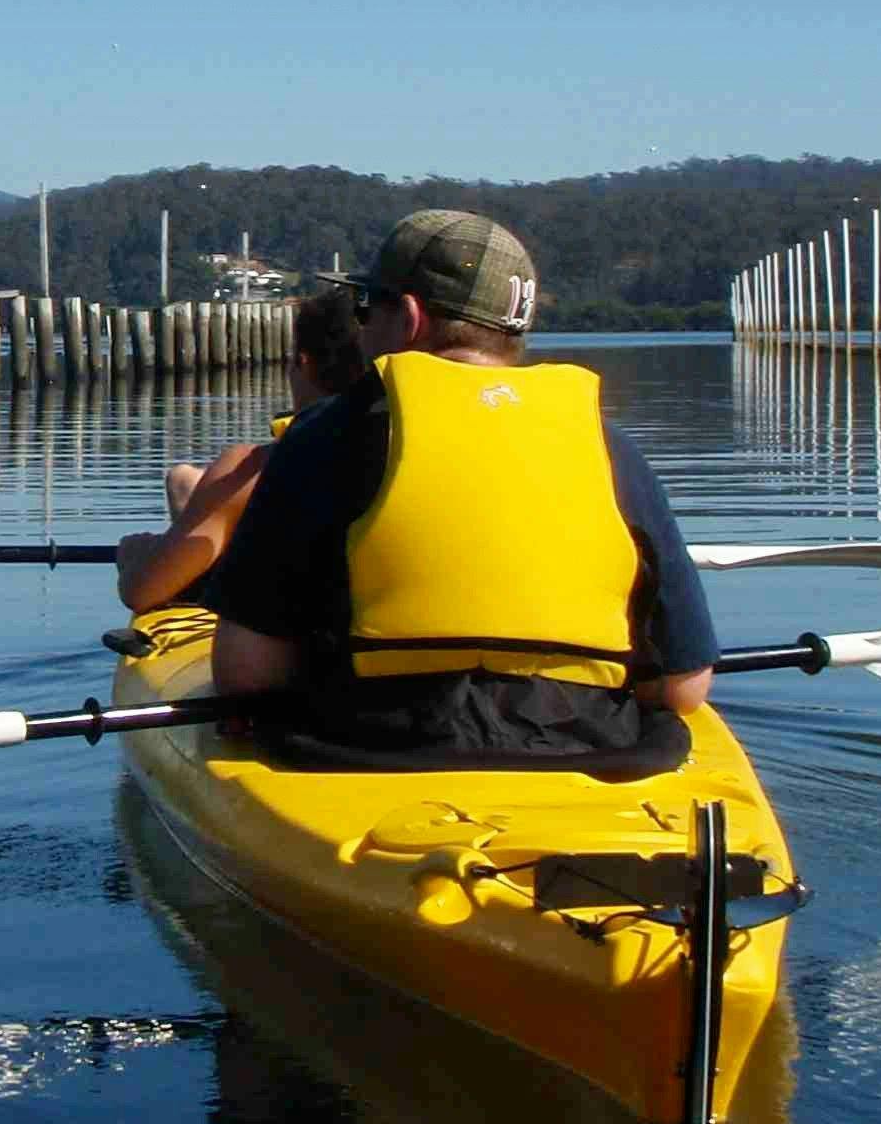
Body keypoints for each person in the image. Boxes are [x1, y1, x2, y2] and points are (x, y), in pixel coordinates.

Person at [205, 209, 717, 766]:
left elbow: (246, 674)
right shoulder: (611, 448)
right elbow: (683, 688)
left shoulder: (324, 437)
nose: (359, 330)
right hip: (589, 751)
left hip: (366, 751)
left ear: (408, 317)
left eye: (363, 309)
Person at [115, 287, 364, 610]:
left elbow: (140, 593)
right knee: (184, 481)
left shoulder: (248, 469)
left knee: (183, 483)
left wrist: (134, 560)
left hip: (287, 627)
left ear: (303, 363)